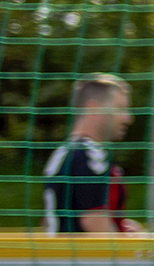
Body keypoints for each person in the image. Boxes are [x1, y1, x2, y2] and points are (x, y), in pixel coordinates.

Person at [42, 74, 139, 234]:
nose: (128, 118)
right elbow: (95, 222)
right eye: (121, 109)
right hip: (84, 258)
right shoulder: (91, 154)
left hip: (59, 256)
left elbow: (53, 220)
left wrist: (121, 226)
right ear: (93, 108)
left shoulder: (63, 153)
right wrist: (126, 248)